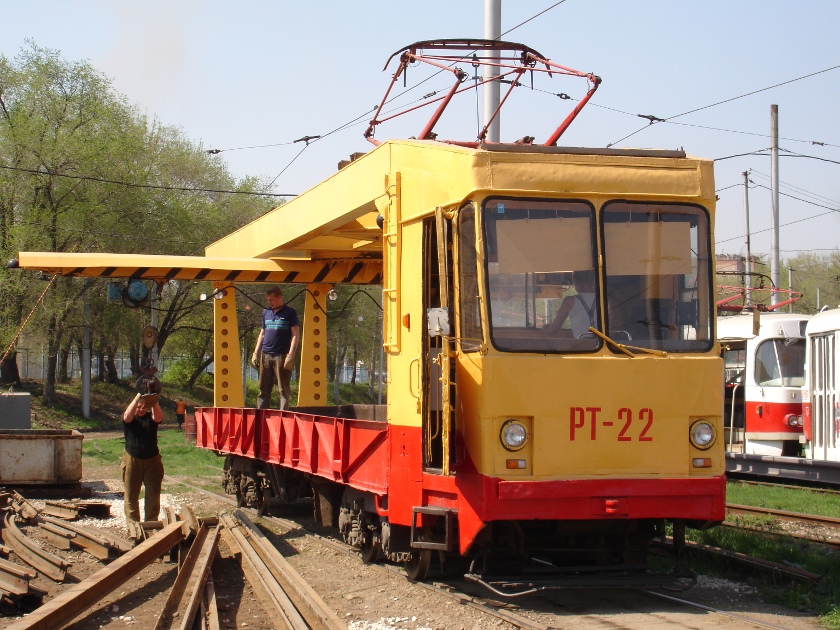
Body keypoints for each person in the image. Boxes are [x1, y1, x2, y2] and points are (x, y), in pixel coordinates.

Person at [251, 286, 300, 410]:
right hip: (266, 354)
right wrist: (255, 353)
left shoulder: (290, 313)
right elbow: (262, 334)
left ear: (280, 297)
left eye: (272, 300)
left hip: (282, 355)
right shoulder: (266, 313)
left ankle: (283, 415)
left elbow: (295, 335)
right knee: (263, 388)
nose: (270, 303)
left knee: (283, 388)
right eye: (268, 300)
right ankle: (261, 415)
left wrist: (291, 354)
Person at [121, 393, 164, 523]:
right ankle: (133, 525)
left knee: (153, 494)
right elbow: (127, 416)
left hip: (152, 461)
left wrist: (153, 399)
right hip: (132, 460)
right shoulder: (130, 419)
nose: (140, 409)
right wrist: (138, 396)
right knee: (131, 495)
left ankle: (151, 523)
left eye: (143, 407)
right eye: (138, 407)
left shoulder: (150, 419)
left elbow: (158, 417)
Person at [545, 269, 598, 338]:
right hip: (603, 344)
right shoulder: (608, 301)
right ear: (593, 281)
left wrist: (546, 329)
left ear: (575, 282)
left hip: (581, 345)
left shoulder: (569, 301)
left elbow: (553, 329)